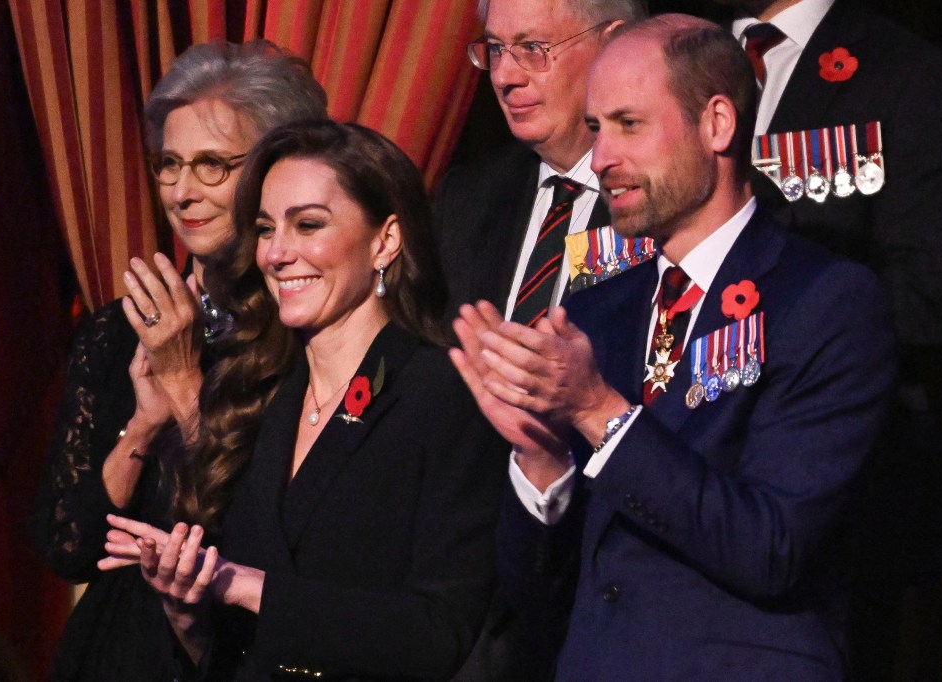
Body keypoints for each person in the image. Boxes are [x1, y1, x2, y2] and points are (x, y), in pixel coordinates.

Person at [451, 15, 897, 679]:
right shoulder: (595, 314)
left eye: (629, 125)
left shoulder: (825, 301)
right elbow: (538, 592)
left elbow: (772, 547)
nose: (602, 158)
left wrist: (599, 411)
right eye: (597, 129)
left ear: (717, 123)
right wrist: (540, 460)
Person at [100, 121, 509, 680]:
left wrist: (244, 585)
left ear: (385, 240)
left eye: (308, 224)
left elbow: (443, 633)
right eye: (266, 229)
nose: (277, 253)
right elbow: (223, 653)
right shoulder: (254, 393)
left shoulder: (443, 393)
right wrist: (186, 607)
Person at [32, 41, 328, 681]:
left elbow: (267, 544)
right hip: (113, 655)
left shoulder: (307, 332)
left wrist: (184, 382)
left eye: (213, 166)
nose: (183, 192)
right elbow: (67, 547)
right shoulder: (119, 330)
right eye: (170, 164)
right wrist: (142, 425)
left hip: (232, 657)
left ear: (277, 170)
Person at [712, 0, 942, 676]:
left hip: (838, 507)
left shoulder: (907, 73)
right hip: (684, 492)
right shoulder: (680, 55)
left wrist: (759, 348)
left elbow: (933, 294)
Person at [433, 0, 647, 327]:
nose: (504, 76)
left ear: (612, 46)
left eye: (532, 48)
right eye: (494, 49)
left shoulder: (672, 196)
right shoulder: (466, 198)